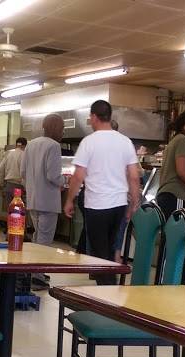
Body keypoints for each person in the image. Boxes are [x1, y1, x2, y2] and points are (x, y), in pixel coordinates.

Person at [65, 100, 141, 284]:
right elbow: (134, 176)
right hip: (119, 205)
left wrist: (69, 200)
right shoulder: (125, 141)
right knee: (110, 250)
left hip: (97, 206)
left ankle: (107, 294)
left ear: (93, 117)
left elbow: (78, 176)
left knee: (100, 254)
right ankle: (109, 290)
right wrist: (134, 203)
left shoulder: (89, 142)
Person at [21, 116, 63, 246]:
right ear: (57, 129)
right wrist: (65, 180)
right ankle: (39, 259)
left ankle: (32, 258)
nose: (63, 132)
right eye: (62, 128)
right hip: (48, 201)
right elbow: (53, 176)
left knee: (37, 236)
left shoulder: (30, 144)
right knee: (44, 240)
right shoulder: (54, 146)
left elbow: (23, 171)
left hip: (33, 199)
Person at [0, 136, 27, 216]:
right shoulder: (25, 155)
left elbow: (0, 170)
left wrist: (1, 184)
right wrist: (26, 188)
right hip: (18, 187)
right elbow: (25, 173)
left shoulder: (8, 154)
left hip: (8, 186)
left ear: (16, 145)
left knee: (10, 213)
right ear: (25, 146)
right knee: (17, 214)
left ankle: (9, 224)